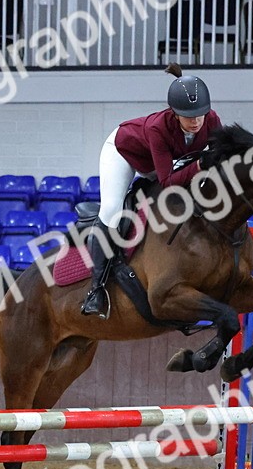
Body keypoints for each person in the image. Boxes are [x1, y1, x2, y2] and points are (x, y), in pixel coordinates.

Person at [81, 65, 224, 319]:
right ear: (174, 113)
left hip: (167, 161)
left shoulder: (211, 120)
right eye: (188, 116)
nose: (196, 121)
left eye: (200, 114)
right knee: (112, 211)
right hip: (124, 153)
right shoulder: (159, 128)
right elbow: (168, 181)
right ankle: (96, 290)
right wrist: (201, 165)